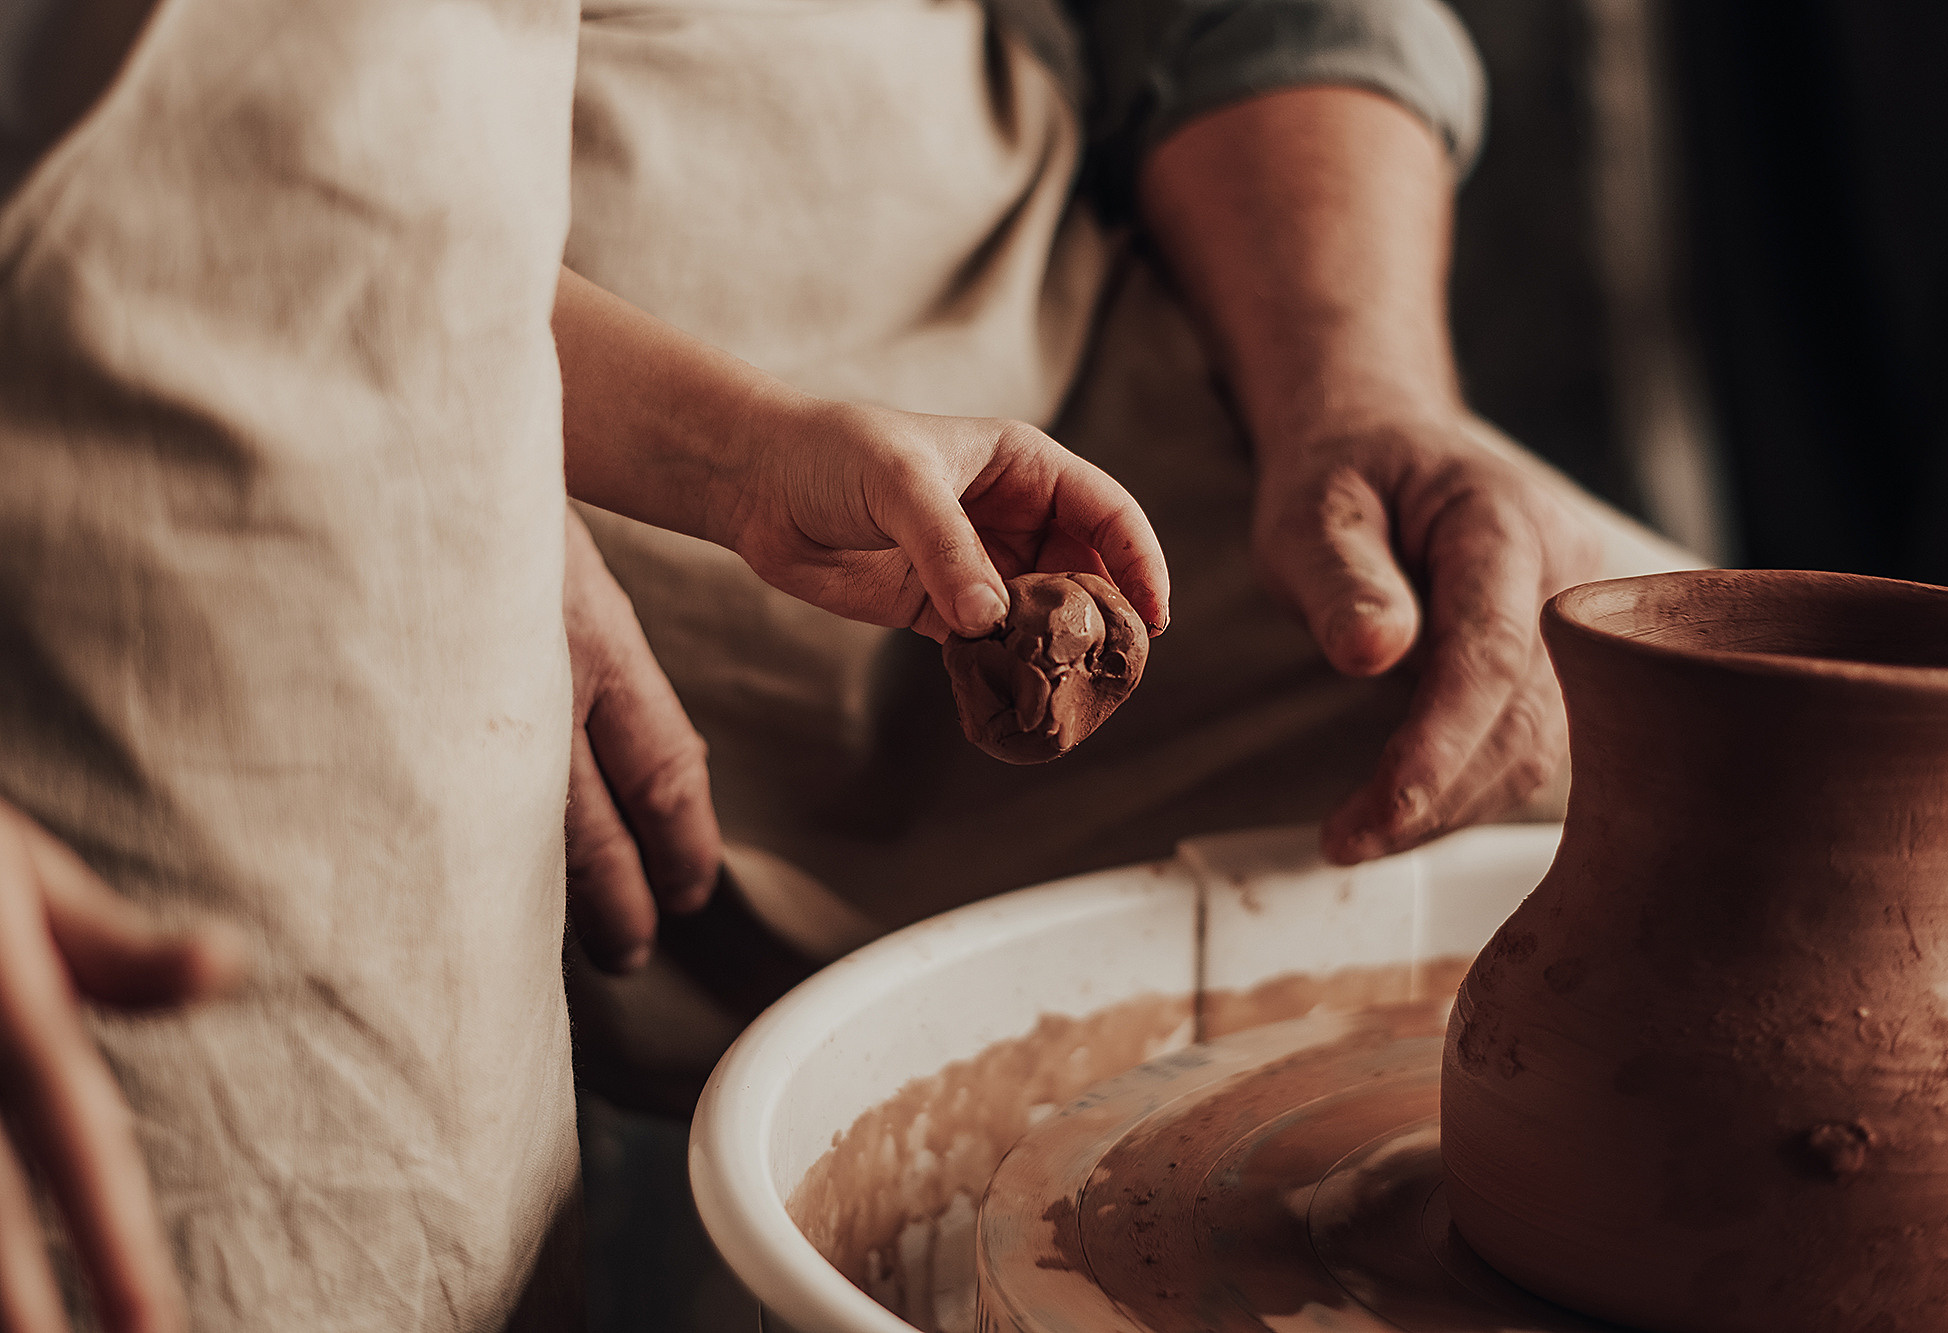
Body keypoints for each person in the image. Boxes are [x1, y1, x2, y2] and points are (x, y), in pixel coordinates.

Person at [0, 4, 1166, 1331]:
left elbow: (370, 191)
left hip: (377, 570)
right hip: (89, 636)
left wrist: (741, 457)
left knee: (448, 1261)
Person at [556, 0, 1700, 1099]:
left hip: (1045, 383)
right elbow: (380, 219)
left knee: (1667, 748)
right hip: (513, 398)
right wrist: (460, 482)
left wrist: (1355, 396)